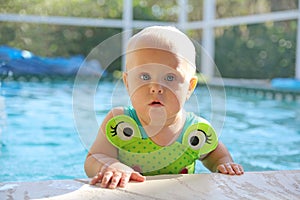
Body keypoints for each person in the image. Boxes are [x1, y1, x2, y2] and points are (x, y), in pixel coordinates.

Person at [84, 26, 244, 189]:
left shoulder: (195, 131)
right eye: (144, 76)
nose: (156, 87)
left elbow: (215, 156)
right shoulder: (119, 122)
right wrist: (111, 166)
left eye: (169, 77)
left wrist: (224, 165)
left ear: (189, 87)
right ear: (127, 83)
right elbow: (95, 157)